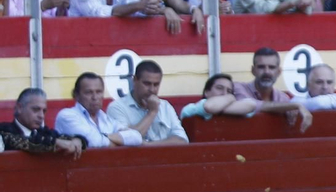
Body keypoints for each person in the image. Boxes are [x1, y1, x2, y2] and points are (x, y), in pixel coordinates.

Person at [180, 72, 314, 130]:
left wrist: (295, 105)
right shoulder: (191, 108)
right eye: (219, 88)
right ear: (206, 92)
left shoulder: (238, 105)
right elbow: (209, 107)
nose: (224, 93)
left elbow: (251, 105)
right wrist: (230, 97)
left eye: (229, 90)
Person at [106, 58, 188, 145]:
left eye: (156, 84)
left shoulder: (165, 106)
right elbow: (125, 140)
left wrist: (149, 146)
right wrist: (152, 112)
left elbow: (182, 140)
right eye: (147, 84)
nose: (152, 89)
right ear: (134, 80)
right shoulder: (117, 108)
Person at [54, 72, 143, 147]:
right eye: (89, 92)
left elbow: (136, 137)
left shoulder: (106, 119)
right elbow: (93, 142)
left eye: (99, 92)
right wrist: (119, 141)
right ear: (76, 95)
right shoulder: (67, 116)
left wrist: (104, 137)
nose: (95, 97)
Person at [1, 87, 86, 156]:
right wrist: (56, 142)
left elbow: (70, 138)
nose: (41, 116)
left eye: (44, 111)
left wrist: (77, 140)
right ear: (19, 108)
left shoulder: (44, 132)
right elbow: (24, 142)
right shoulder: (4, 131)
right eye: (35, 109)